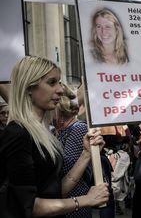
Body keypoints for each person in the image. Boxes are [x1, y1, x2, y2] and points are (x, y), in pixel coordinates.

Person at [0, 56, 109, 217]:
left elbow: (55, 192)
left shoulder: (44, 132)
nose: (60, 89)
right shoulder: (17, 133)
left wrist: (86, 154)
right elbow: (29, 206)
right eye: (52, 83)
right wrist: (86, 200)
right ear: (29, 87)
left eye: (58, 82)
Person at [54, 83, 93, 218]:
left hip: (75, 202)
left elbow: (68, 166)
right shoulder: (57, 131)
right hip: (60, 204)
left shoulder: (78, 129)